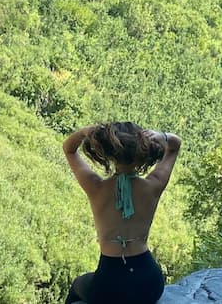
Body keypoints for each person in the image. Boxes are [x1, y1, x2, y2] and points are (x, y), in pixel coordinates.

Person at [62, 121, 181, 304]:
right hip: (149, 282)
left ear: (109, 152)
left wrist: (86, 132)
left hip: (110, 284)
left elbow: (69, 149)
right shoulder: (153, 185)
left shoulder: (96, 187)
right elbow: (175, 146)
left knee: (79, 285)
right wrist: (162, 136)